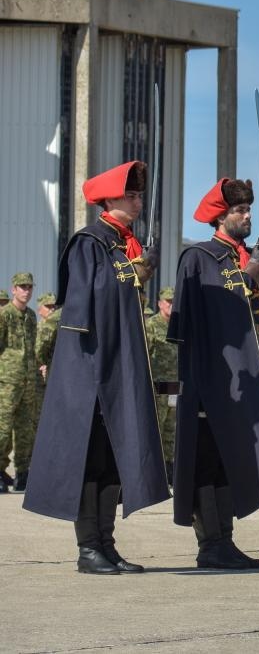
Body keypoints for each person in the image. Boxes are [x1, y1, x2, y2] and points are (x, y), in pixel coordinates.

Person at [24, 161, 169, 574]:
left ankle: (107, 544)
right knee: (89, 460)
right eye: (131, 196)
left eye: (140, 196)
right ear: (109, 199)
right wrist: (137, 273)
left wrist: (137, 269)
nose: (138, 202)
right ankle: (88, 548)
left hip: (119, 369)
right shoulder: (91, 242)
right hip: (91, 368)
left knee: (111, 459)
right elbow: (89, 300)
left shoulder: (125, 244)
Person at [168, 177, 259, 569]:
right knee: (206, 458)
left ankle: (225, 540)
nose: (247, 215)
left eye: (248, 209)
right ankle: (210, 544)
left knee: (227, 458)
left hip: (243, 380)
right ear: (220, 216)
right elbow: (197, 318)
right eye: (239, 210)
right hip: (211, 375)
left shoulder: (242, 258)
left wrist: (254, 266)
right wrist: (253, 269)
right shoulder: (200, 257)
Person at [0, 271, 41, 493]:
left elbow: (33, 348)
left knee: (26, 429)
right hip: (7, 381)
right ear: (14, 289)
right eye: (22, 287)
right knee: (3, 428)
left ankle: (23, 473)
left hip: (28, 382)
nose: (26, 291)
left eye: (29, 287)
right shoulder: (4, 314)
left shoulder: (32, 316)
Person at [144, 289, 179, 482]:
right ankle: (153, 472)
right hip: (157, 387)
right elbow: (145, 355)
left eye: (174, 301)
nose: (171, 304)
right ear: (160, 304)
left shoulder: (178, 324)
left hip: (174, 387)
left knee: (171, 432)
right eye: (168, 301)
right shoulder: (151, 325)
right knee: (155, 428)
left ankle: (169, 470)